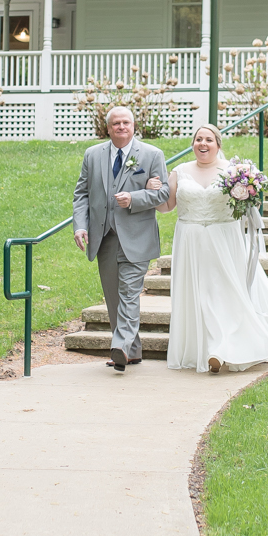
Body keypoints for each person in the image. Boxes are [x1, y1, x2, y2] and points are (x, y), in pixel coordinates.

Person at [149, 123, 268, 374]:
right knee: (198, 293)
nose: (202, 144)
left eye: (208, 140)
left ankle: (222, 348)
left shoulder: (234, 171)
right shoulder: (180, 172)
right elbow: (167, 207)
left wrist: (248, 192)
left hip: (224, 238)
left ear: (218, 144)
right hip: (190, 239)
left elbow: (249, 204)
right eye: (198, 139)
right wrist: (152, 193)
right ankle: (202, 348)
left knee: (222, 291)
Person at [72, 106, 170, 373]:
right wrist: (80, 226)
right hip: (104, 237)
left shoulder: (152, 155)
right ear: (108, 128)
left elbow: (163, 194)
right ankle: (133, 351)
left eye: (126, 122)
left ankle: (120, 346)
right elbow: (82, 193)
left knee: (128, 293)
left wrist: (134, 199)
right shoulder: (93, 155)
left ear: (134, 125)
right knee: (113, 296)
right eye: (116, 123)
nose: (121, 127)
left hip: (137, 236)